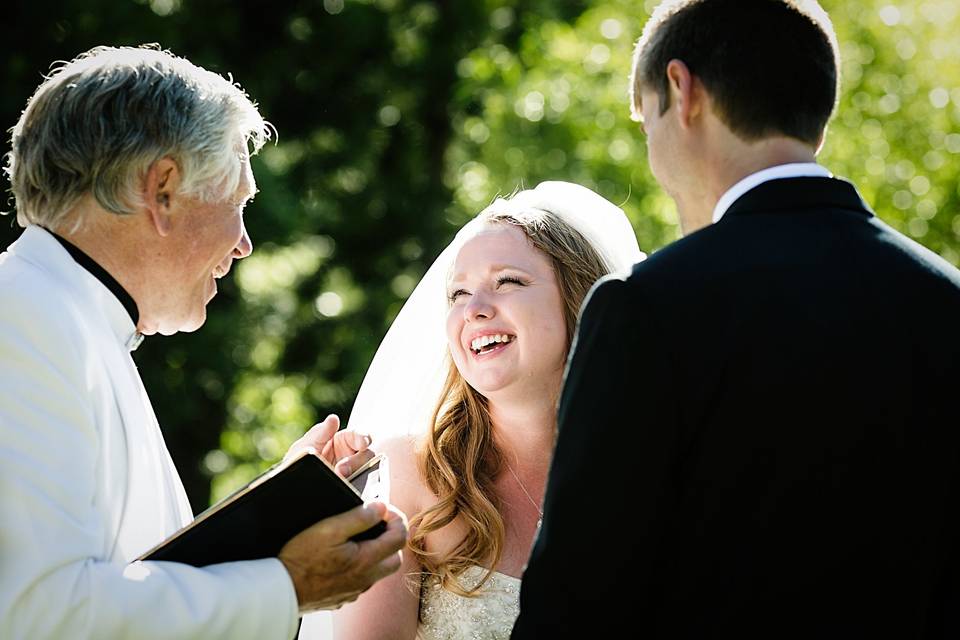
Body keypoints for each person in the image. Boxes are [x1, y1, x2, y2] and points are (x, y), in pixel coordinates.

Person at [511, 1, 960, 638]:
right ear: (817, 121)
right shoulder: (946, 302)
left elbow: (578, 604)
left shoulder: (646, 307)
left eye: (646, 125)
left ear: (680, 89)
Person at [0, 45, 406, 639]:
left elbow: (121, 576)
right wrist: (286, 586)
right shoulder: (24, 320)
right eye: (238, 202)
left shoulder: (68, 321)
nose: (243, 243)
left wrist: (272, 514)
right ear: (162, 189)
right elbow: (37, 613)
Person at [300, 182, 643, 639]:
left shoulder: (651, 471)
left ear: (580, 299)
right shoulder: (407, 477)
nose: (474, 310)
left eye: (508, 282)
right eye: (459, 294)